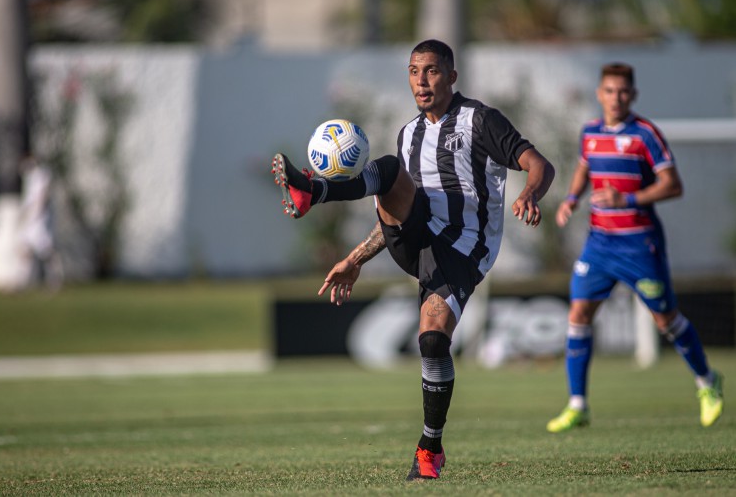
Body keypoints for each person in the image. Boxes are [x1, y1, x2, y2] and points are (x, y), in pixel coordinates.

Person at [272, 39, 555, 480]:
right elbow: (400, 201)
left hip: (464, 250)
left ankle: (430, 448)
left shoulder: (480, 120)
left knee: (432, 342)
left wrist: (531, 191)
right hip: (416, 239)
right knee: (388, 170)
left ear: (452, 76)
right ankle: (315, 191)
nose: (421, 81)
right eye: (413, 71)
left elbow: (539, 164)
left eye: (432, 71)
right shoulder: (409, 134)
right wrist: (356, 258)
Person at [546, 63, 724, 433]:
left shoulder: (646, 134)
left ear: (633, 95)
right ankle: (578, 404)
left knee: (666, 321)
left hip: (639, 244)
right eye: (610, 91)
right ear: (599, 94)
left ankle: (707, 382)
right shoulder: (590, 132)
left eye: (623, 91)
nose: (616, 98)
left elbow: (673, 185)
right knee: (578, 313)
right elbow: (584, 167)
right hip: (599, 243)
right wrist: (572, 198)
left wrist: (627, 198)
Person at [18, 153, 63, 290]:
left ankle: (55, 279)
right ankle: (22, 281)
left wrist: (37, 214)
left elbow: (43, 196)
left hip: (38, 220)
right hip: (31, 219)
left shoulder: (41, 175)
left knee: (45, 250)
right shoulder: (30, 179)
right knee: (25, 249)